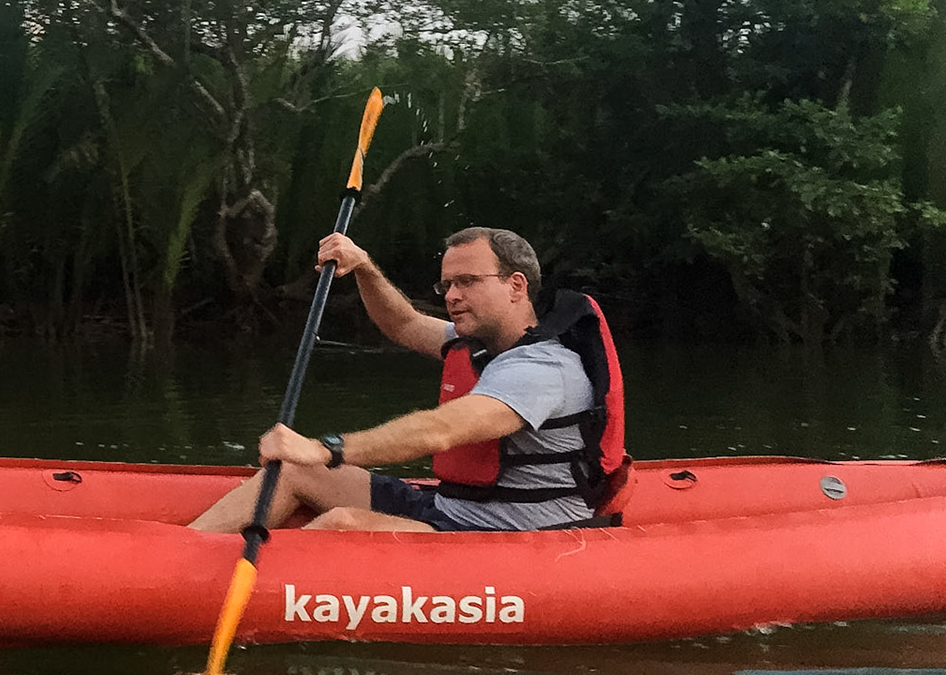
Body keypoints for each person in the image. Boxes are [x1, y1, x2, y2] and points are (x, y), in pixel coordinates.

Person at [189, 226, 626, 534]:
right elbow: (405, 325)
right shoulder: (476, 343)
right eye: (448, 285)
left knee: (344, 523)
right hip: (453, 506)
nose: (453, 296)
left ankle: (215, 595)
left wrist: (326, 447)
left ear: (516, 285)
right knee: (291, 471)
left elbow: (442, 430)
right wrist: (363, 268)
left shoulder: (543, 369)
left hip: (509, 529)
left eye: (468, 282)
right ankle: (180, 554)